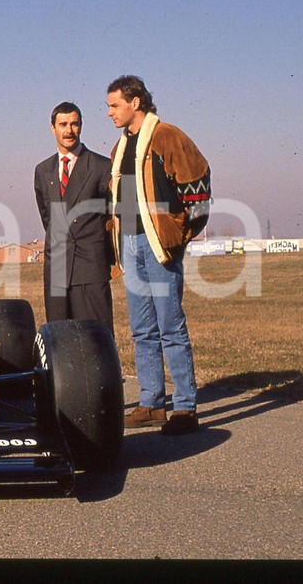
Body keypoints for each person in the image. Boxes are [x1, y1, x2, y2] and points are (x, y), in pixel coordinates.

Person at [107, 75, 210, 436]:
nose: (110, 113)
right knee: (142, 330)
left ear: (135, 102)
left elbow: (197, 186)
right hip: (130, 245)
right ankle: (151, 403)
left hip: (157, 246)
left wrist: (178, 237)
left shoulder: (168, 136)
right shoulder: (120, 147)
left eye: (114, 105)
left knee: (170, 326)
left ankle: (184, 408)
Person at [34, 101, 115, 334]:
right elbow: (47, 217)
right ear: (53, 128)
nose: (69, 130)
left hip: (90, 266)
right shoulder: (43, 170)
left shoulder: (101, 167)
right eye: (63, 124)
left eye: (74, 124)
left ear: (81, 126)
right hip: (57, 268)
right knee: (60, 341)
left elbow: (112, 217)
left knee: (96, 339)